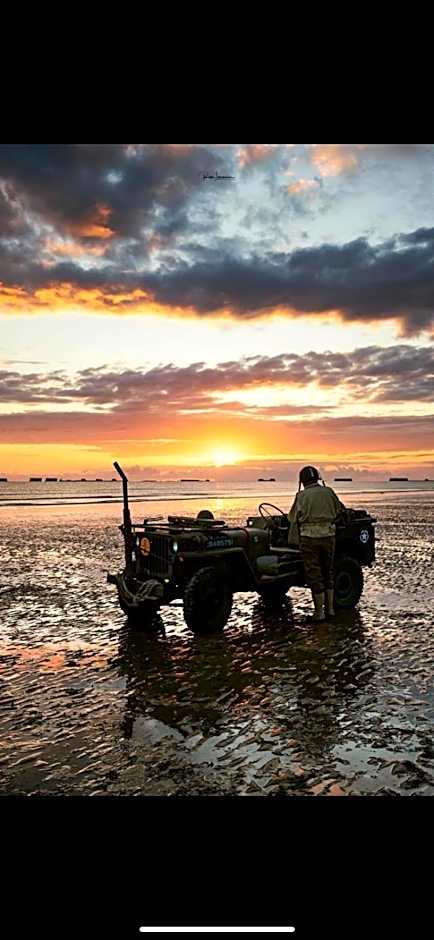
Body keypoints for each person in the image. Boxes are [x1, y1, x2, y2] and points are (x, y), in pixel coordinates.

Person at [288, 466, 346, 622]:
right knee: (328, 571)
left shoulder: (301, 496)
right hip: (329, 535)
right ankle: (331, 610)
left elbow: (293, 518)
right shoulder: (329, 492)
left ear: (302, 481)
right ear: (318, 478)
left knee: (314, 574)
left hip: (309, 538)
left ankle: (319, 613)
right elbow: (340, 510)